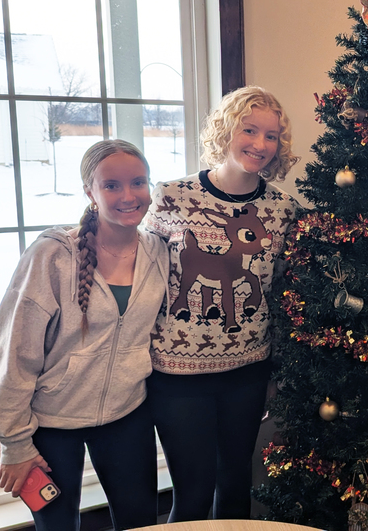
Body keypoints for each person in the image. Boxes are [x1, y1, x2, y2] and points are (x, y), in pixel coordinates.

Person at [0, 140, 168, 531]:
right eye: (112, 185)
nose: (129, 195)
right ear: (90, 191)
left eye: (139, 182)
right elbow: (13, 353)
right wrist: (14, 443)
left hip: (126, 414)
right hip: (50, 424)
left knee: (141, 524)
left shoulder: (158, 252)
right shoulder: (52, 256)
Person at [143, 85, 299, 521]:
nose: (260, 145)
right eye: (249, 130)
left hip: (248, 373)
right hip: (177, 374)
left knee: (234, 490)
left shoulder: (284, 210)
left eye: (271, 136)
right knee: (191, 496)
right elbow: (140, 276)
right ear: (226, 130)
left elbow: (285, 295)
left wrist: (279, 369)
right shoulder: (172, 196)